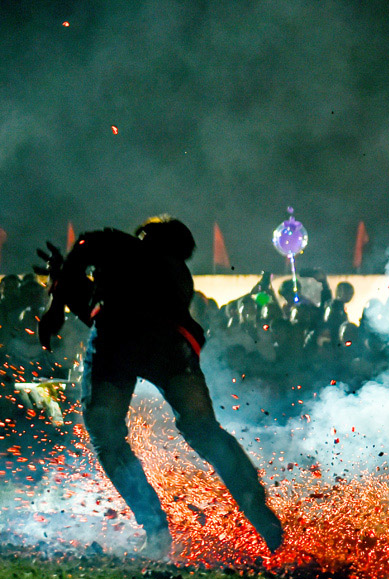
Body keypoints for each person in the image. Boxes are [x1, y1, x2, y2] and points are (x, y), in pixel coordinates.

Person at [35, 217, 285, 559]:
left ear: (148, 236)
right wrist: (64, 281)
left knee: (107, 435)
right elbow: (100, 303)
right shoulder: (178, 275)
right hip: (171, 347)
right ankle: (261, 514)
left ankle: (155, 528)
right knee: (204, 430)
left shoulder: (129, 248)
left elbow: (88, 251)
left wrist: (56, 300)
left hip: (119, 343)